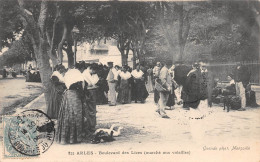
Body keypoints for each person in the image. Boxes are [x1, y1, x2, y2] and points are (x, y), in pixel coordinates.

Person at [56, 65, 85, 144]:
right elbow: (80, 87)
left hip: (68, 95)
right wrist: (83, 96)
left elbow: (66, 85)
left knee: (67, 114)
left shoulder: (68, 74)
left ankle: (66, 138)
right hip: (74, 96)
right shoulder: (77, 74)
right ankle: (75, 138)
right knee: (76, 115)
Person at [82, 64, 99, 134]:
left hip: (92, 92)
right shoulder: (85, 74)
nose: (94, 72)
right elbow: (86, 86)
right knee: (89, 110)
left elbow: (94, 82)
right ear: (91, 69)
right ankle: (89, 126)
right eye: (94, 71)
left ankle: (92, 125)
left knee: (93, 110)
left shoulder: (91, 74)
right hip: (88, 93)